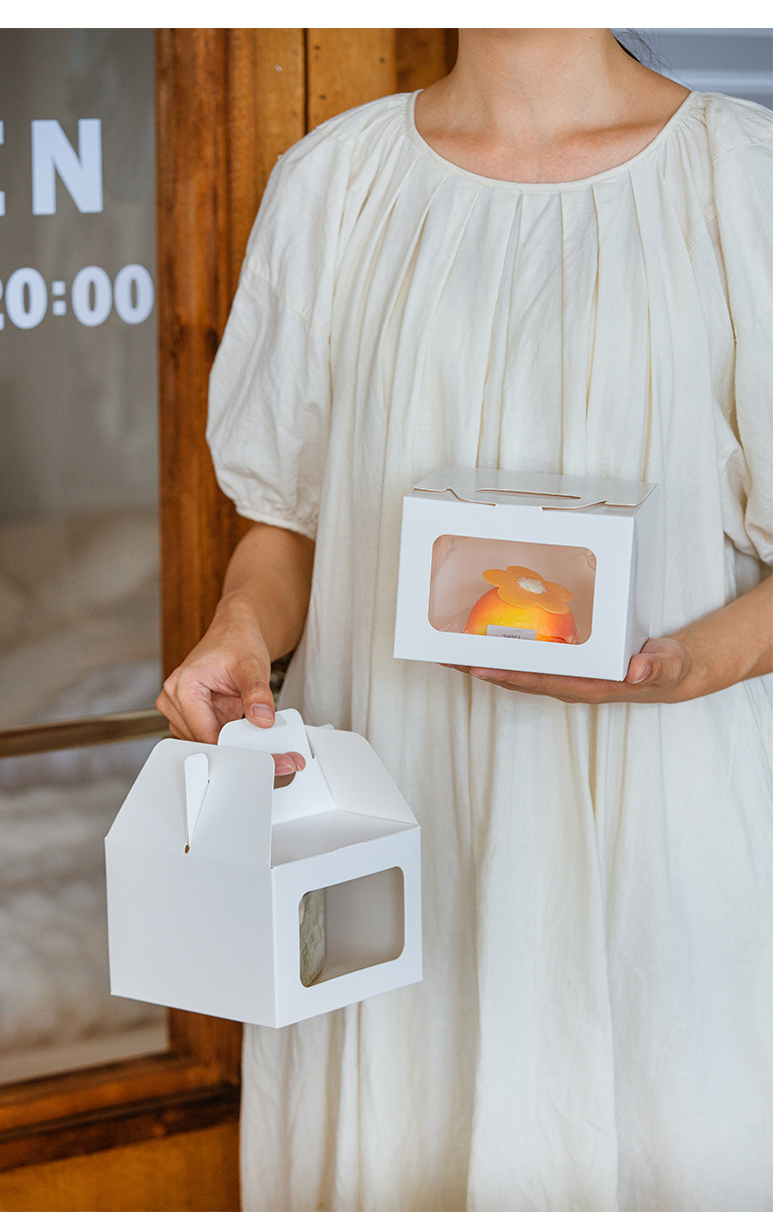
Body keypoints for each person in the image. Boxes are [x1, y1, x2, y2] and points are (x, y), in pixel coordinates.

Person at [157, 29, 773, 1212]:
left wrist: (681, 667)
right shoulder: (333, 183)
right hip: (385, 816)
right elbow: (287, 525)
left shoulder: (743, 180)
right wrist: (239, 626)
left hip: (661, 829)